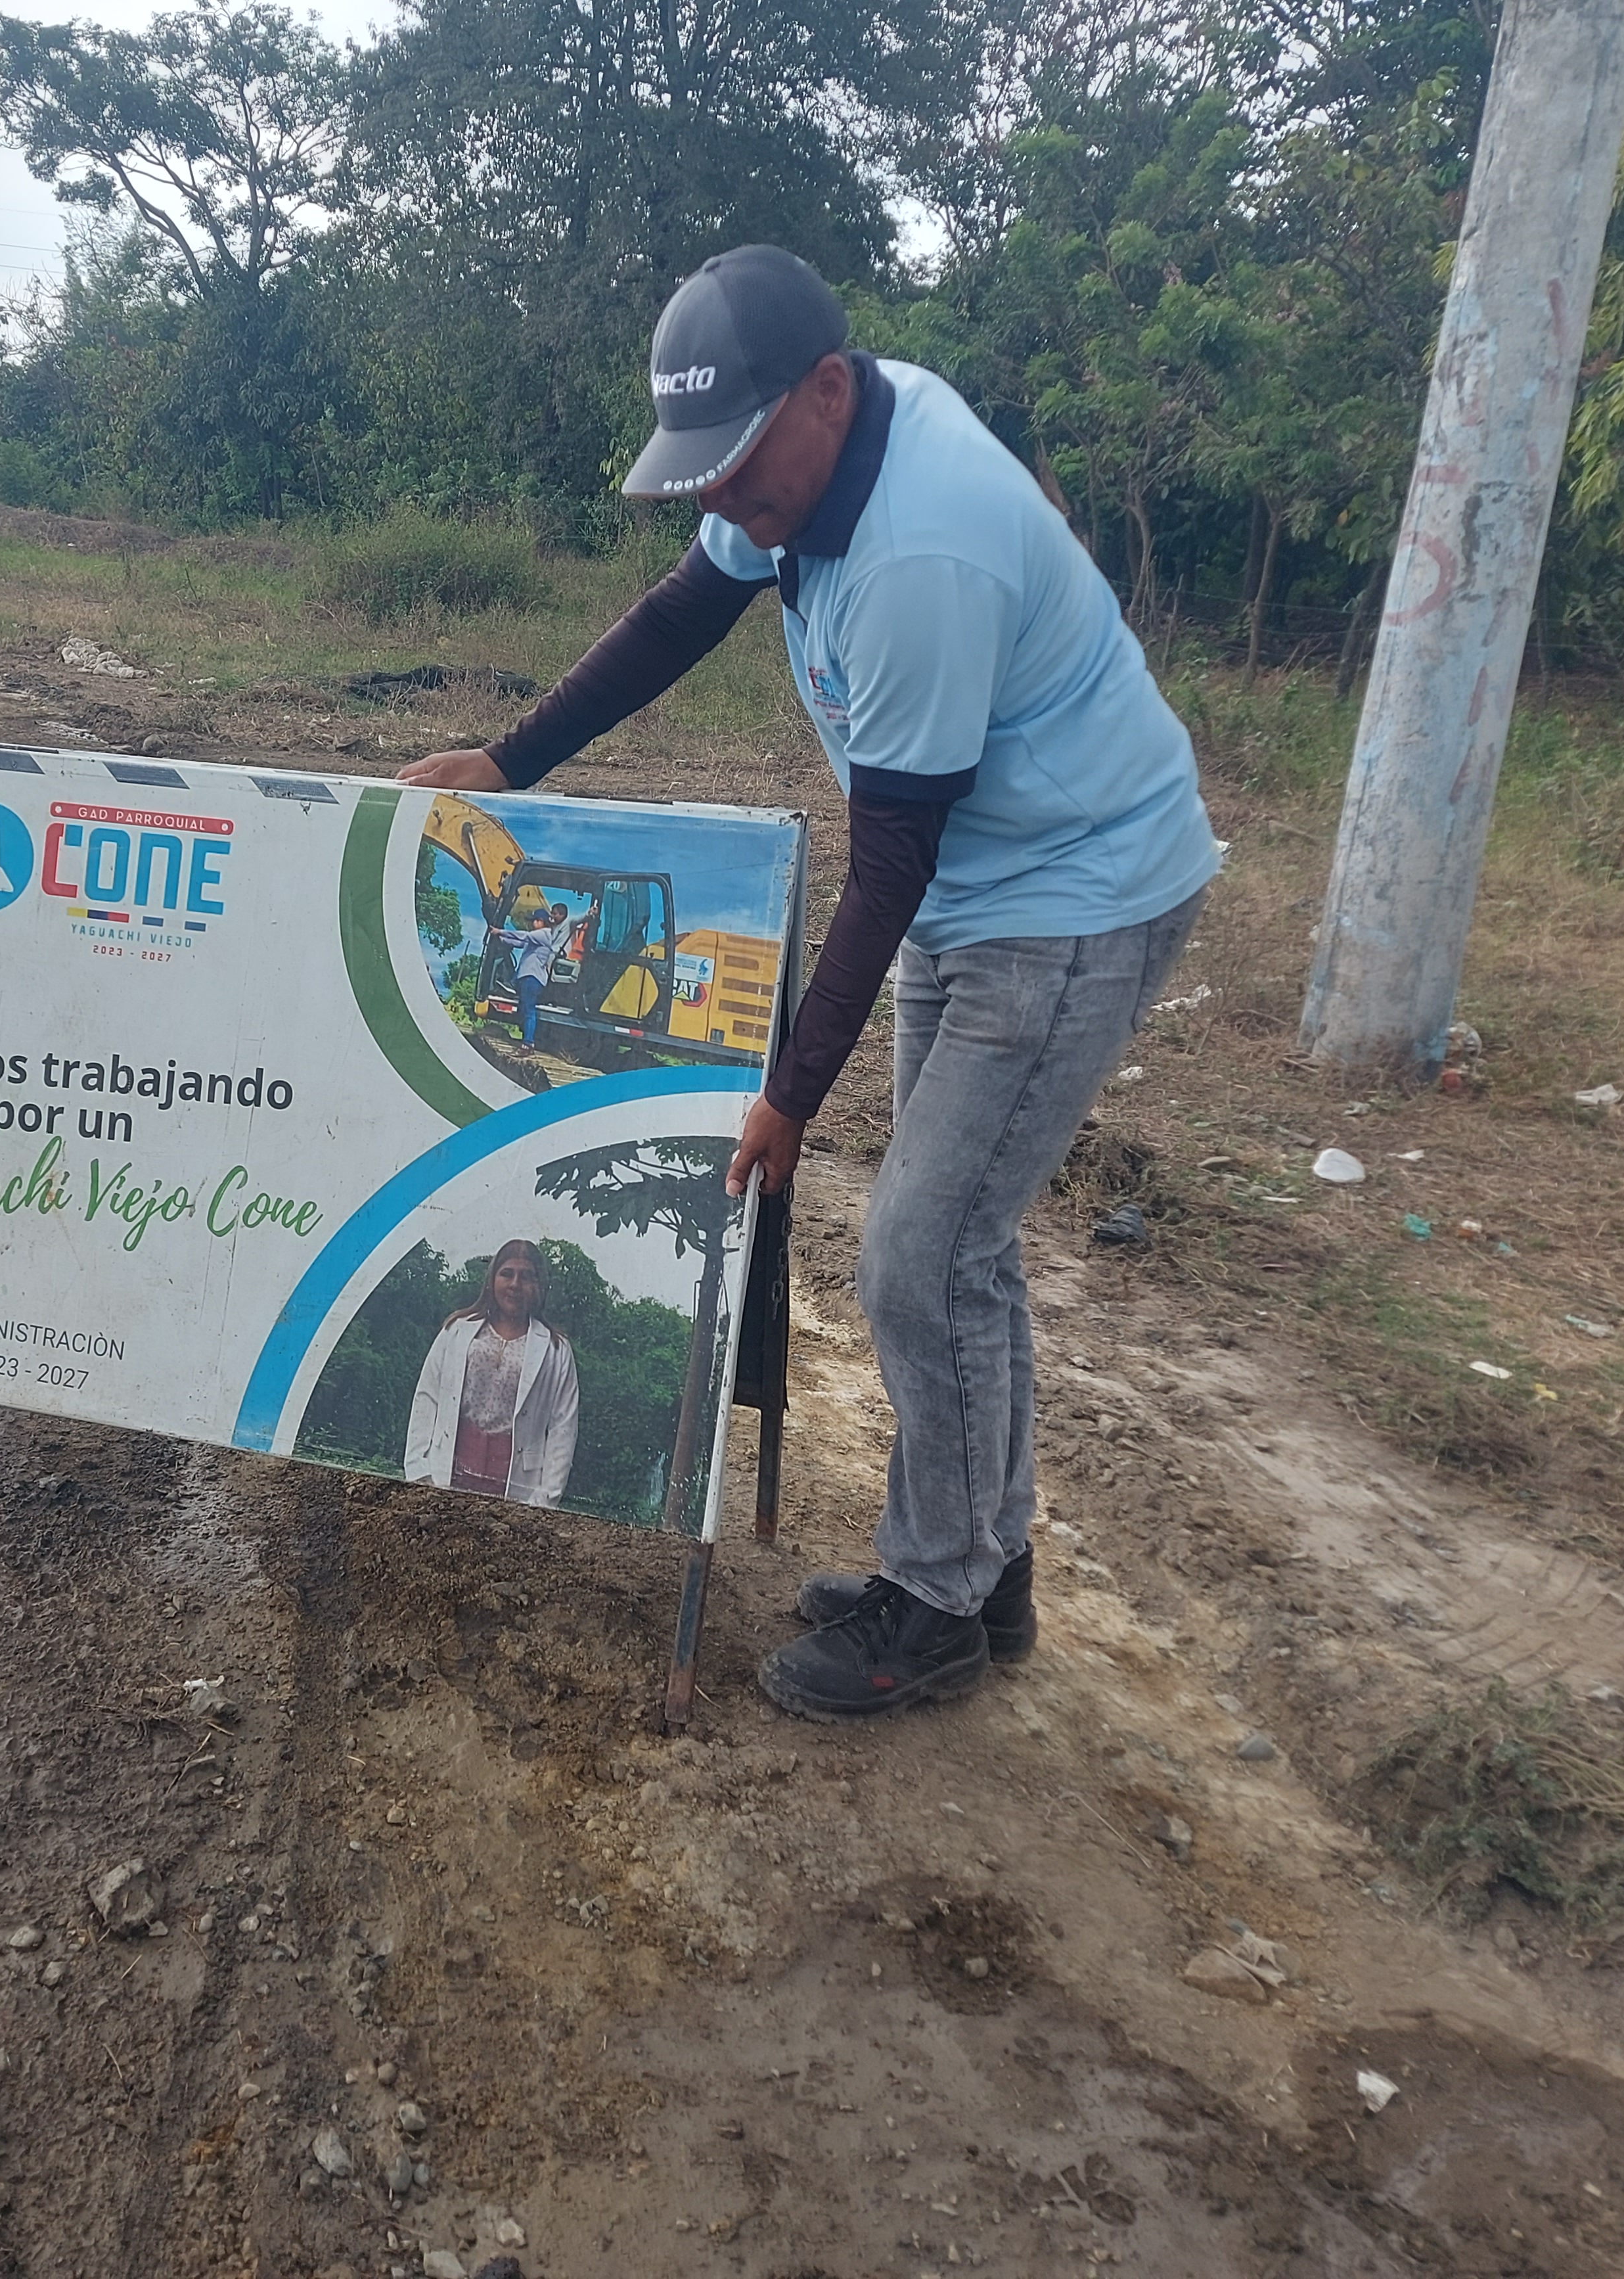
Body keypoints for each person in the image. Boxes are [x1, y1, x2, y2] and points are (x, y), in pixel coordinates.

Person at [399, 245, 1217, 1720]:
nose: (719, 494)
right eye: (699, 468)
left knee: (916, 1250)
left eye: (737, 460)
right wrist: (509, 760)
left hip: (1070, 896)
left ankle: (936, 1606)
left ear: (826, 393)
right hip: (978, 883)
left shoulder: (917, 554)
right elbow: (677, 614)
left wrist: (785, 1096)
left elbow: (884, 866)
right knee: (957, 1249)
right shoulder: (797, 476)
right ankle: (981, 1564)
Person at [405, 1239, 580, 1507]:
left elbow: (563, 1429)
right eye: (507, 1274)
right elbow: (427, 1397)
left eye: (526, 1276)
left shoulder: (556, 1349)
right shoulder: (457, 1329)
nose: (515, 1284)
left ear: (539, 1285)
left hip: (515, 1480)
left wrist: (543, 1502)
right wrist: (420, 1471)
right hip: (450, 1466)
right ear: (492, 1280)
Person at [493, 902, 570, 1049]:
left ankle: (528, 1043)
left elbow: (523, 936)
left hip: (532, 978)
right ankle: (527, 1040)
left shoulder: (544, 934)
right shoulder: (536, 938)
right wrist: (502, 939)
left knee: (529, 1010)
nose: (532, 923)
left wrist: (500, 932)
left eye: (534, 920)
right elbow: (519, 943)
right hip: (527, 977)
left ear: (541, 921)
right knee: (525, 1009)